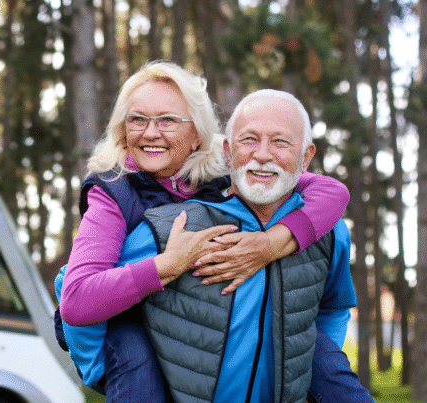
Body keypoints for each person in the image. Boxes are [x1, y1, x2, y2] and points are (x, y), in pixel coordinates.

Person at [55, 60, 351, 402]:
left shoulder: (223, 170)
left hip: (177, 325)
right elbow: (75, 299)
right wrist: (171, 263)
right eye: (137, 119)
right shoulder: (113, 191)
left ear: (198, 134)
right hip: (119, 323)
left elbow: (332, 192)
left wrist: (270, 244)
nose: (150, 133)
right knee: (138, 363)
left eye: (167, 120)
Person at [139, 89, 373, 402]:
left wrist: (307, 372)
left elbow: (333, 307)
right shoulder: (171, 227)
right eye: (249, 139)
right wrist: (106, 370)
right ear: (228, 150)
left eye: (281, 142)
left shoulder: (330, 233)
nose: (263, 154)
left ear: (306, 158)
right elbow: (77, 292)